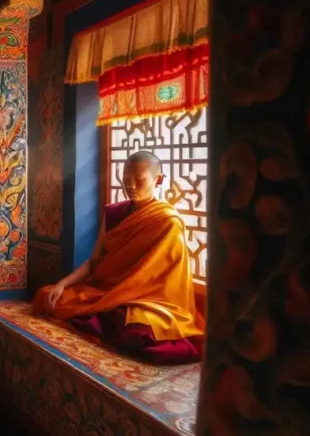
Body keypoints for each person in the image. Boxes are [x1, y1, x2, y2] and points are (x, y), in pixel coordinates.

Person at [33, 151, 205, 364]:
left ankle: (105, 317)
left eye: (139, 179)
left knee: (136, 325)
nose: (130, 185)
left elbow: (173, 282)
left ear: (158, 180)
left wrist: (127, 296)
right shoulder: (114, 213)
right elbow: (94, 262)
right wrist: (61, 284)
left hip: (147, 300)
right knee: (47, 296)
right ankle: (102, 315)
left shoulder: (168, 222)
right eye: (125, 178)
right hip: (106, 291)